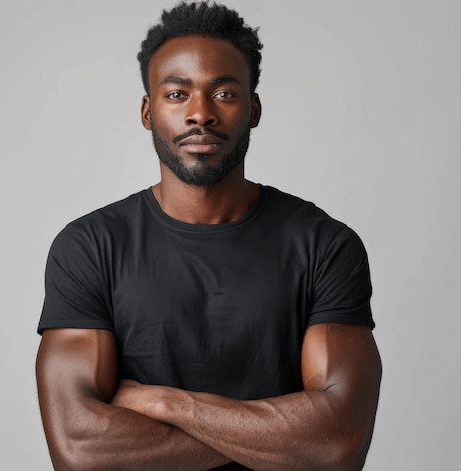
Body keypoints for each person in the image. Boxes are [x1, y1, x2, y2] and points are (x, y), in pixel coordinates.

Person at [35, 1, 382, 470]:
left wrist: (168, 404)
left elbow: (336, 446)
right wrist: (274, 437)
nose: (200, 114)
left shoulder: (324, 246)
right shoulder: (89, 248)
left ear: (253, 108)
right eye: (178, 94)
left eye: (223, 94)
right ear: (147, 110)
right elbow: (80, 451)